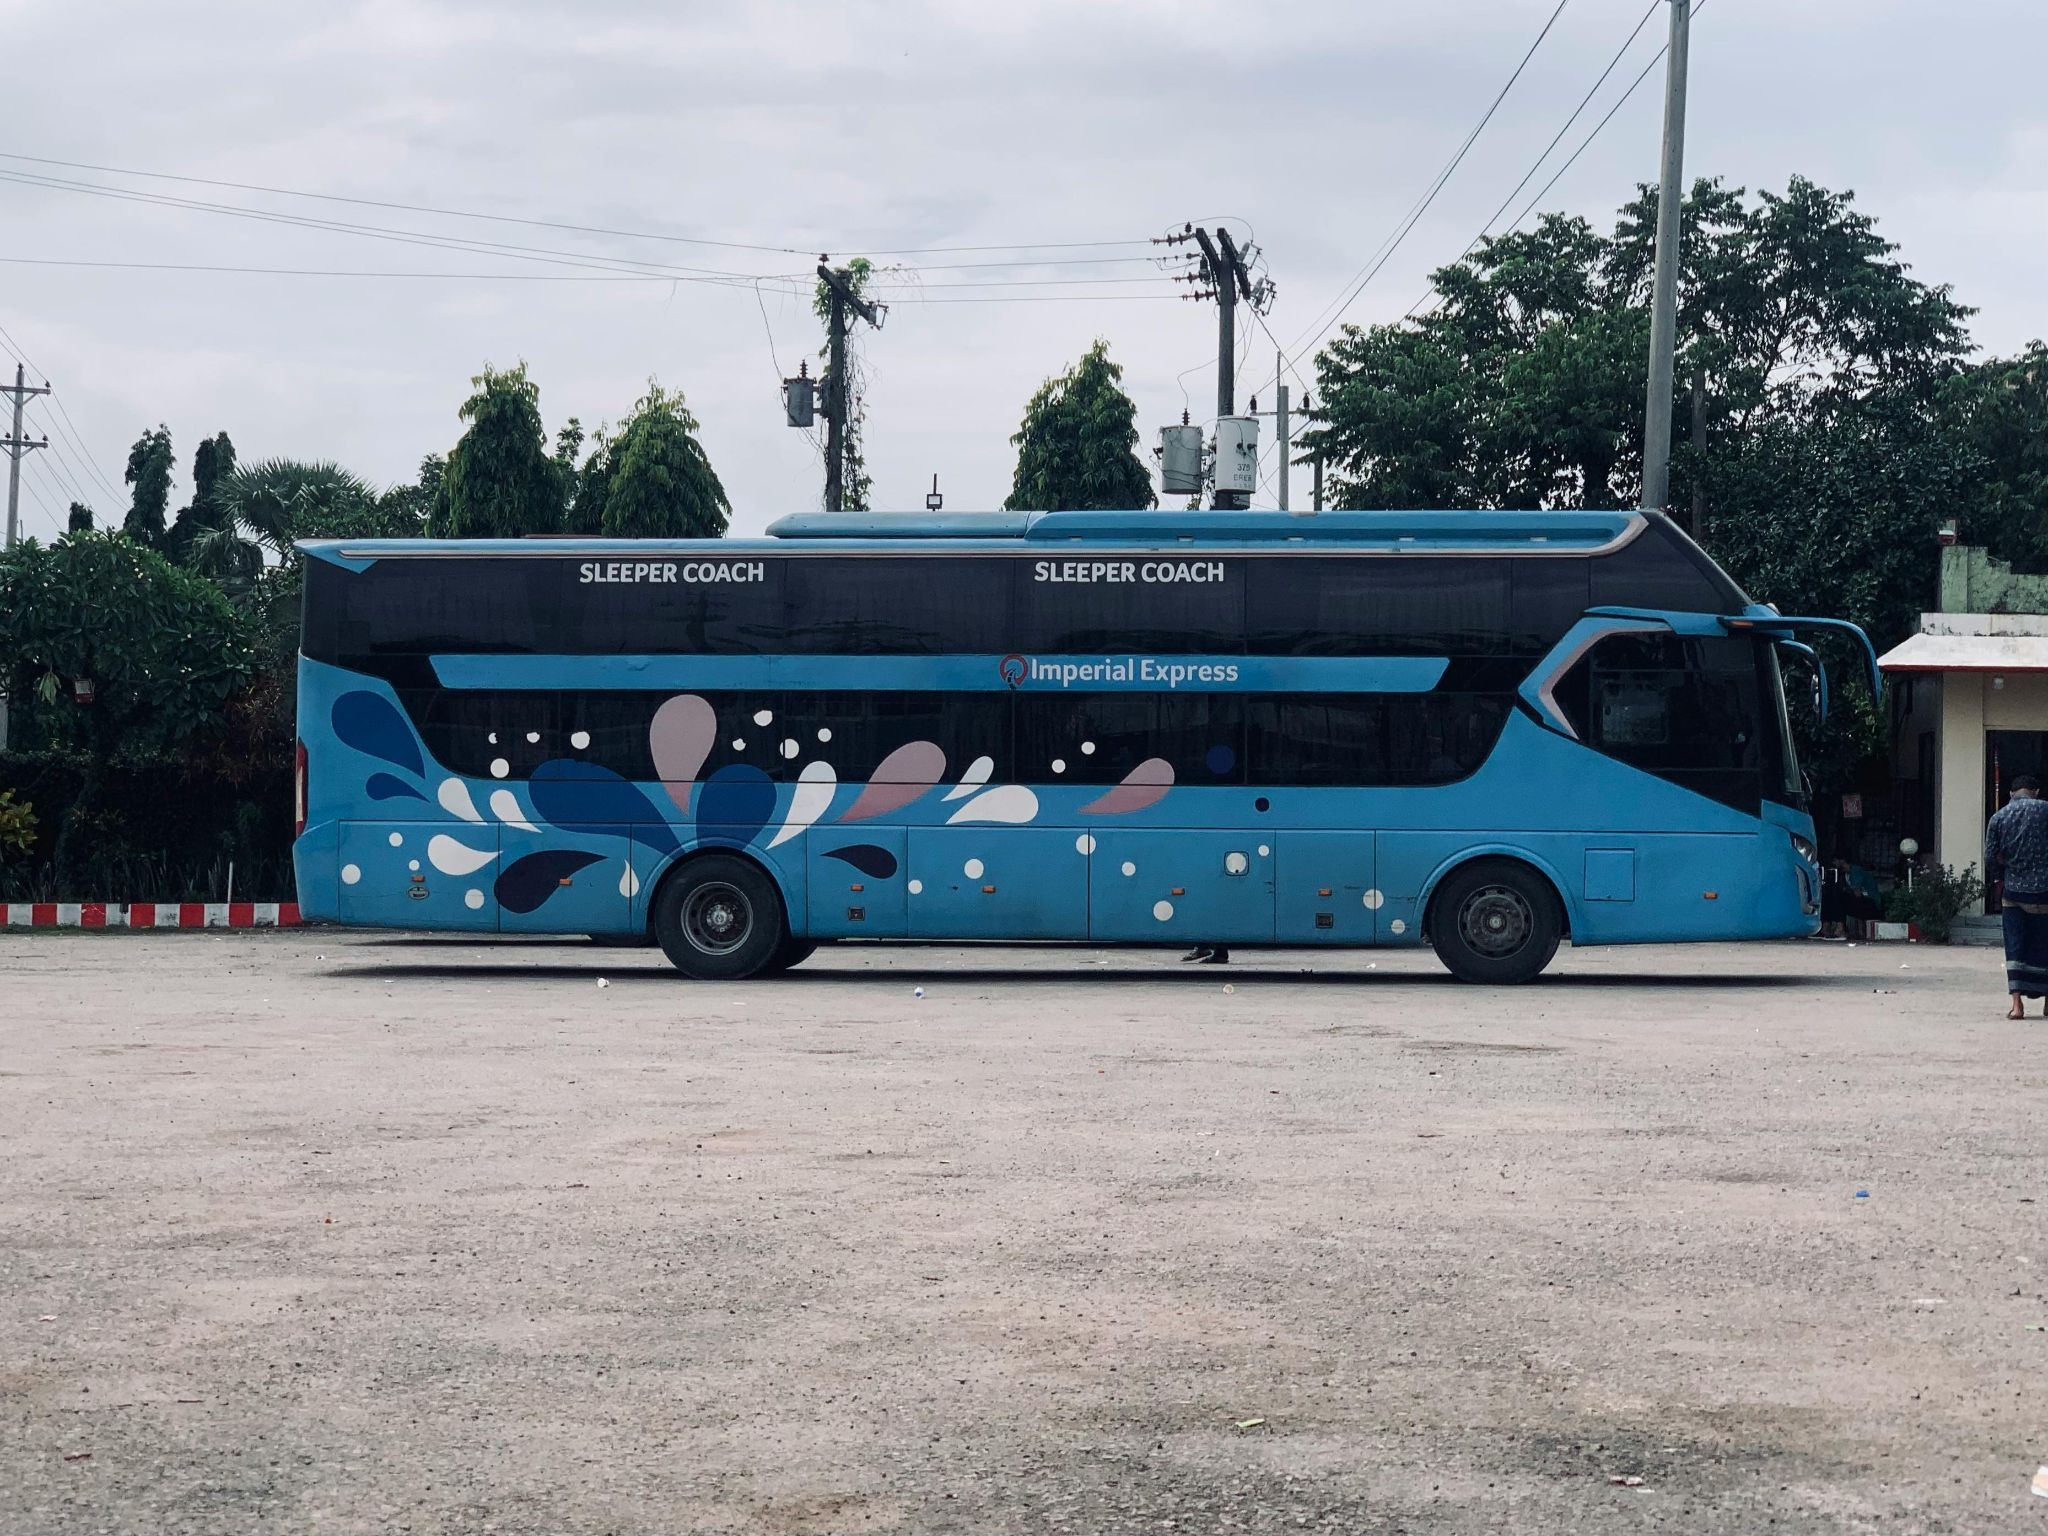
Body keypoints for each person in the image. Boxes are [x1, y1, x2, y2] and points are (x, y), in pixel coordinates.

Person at [1985, 773, 2048, 1018]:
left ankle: (2017, 1004)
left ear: (2011, 794)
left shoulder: (1999, 817)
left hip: (2014, 893)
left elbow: (1990, 856)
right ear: (2036, 792)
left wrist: (2001, 876)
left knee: (2015, 945)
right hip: (2045, 892)